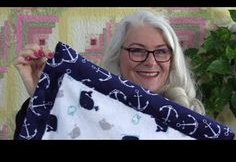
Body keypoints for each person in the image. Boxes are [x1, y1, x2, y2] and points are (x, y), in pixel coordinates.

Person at [13, 10, 234, 139]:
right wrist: (42, 98)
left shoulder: (194, 122)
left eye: (161, 51)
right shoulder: (85, 108)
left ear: (172, 59)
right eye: (137, 50)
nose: (150, 61)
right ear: (118, 55)